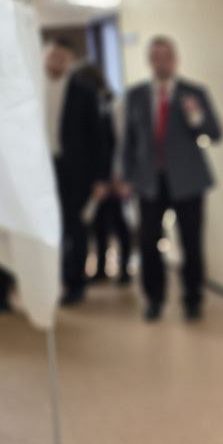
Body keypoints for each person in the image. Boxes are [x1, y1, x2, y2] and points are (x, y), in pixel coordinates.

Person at [121, 37, 223, 322]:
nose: (161, 62)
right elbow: (129, 140)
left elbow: (215, 133)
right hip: (149, 182)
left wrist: (196, 116)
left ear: (175, 60)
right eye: (156, 57)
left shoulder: (194, 92)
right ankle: (154, 299)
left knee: (191, 243)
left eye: (166, 56)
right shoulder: (136, 95)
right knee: (149, 242)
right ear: (149, 60)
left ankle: (193, 299)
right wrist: (126, 177)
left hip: (188, 181)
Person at [44, 38, 107, 307]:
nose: (56, 62)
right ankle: (51, 280)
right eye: (52, 56)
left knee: (75, 228)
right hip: (44, 169)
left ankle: (75, 283)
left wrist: (100, 178)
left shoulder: (84, 91)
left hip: (75, 171)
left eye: (62, 57)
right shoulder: (34, 88)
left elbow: (98, 137)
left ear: (69, 61)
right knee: (49, 228)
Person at [72, 62, 132, 285]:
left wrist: (117, 174)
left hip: (114, 173)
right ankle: (100, 268)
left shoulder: (114, 104)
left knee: (118, 221)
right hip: (95, 174)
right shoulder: (86, 106)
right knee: (98, 223)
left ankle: (124, 268)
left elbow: (120, 141)